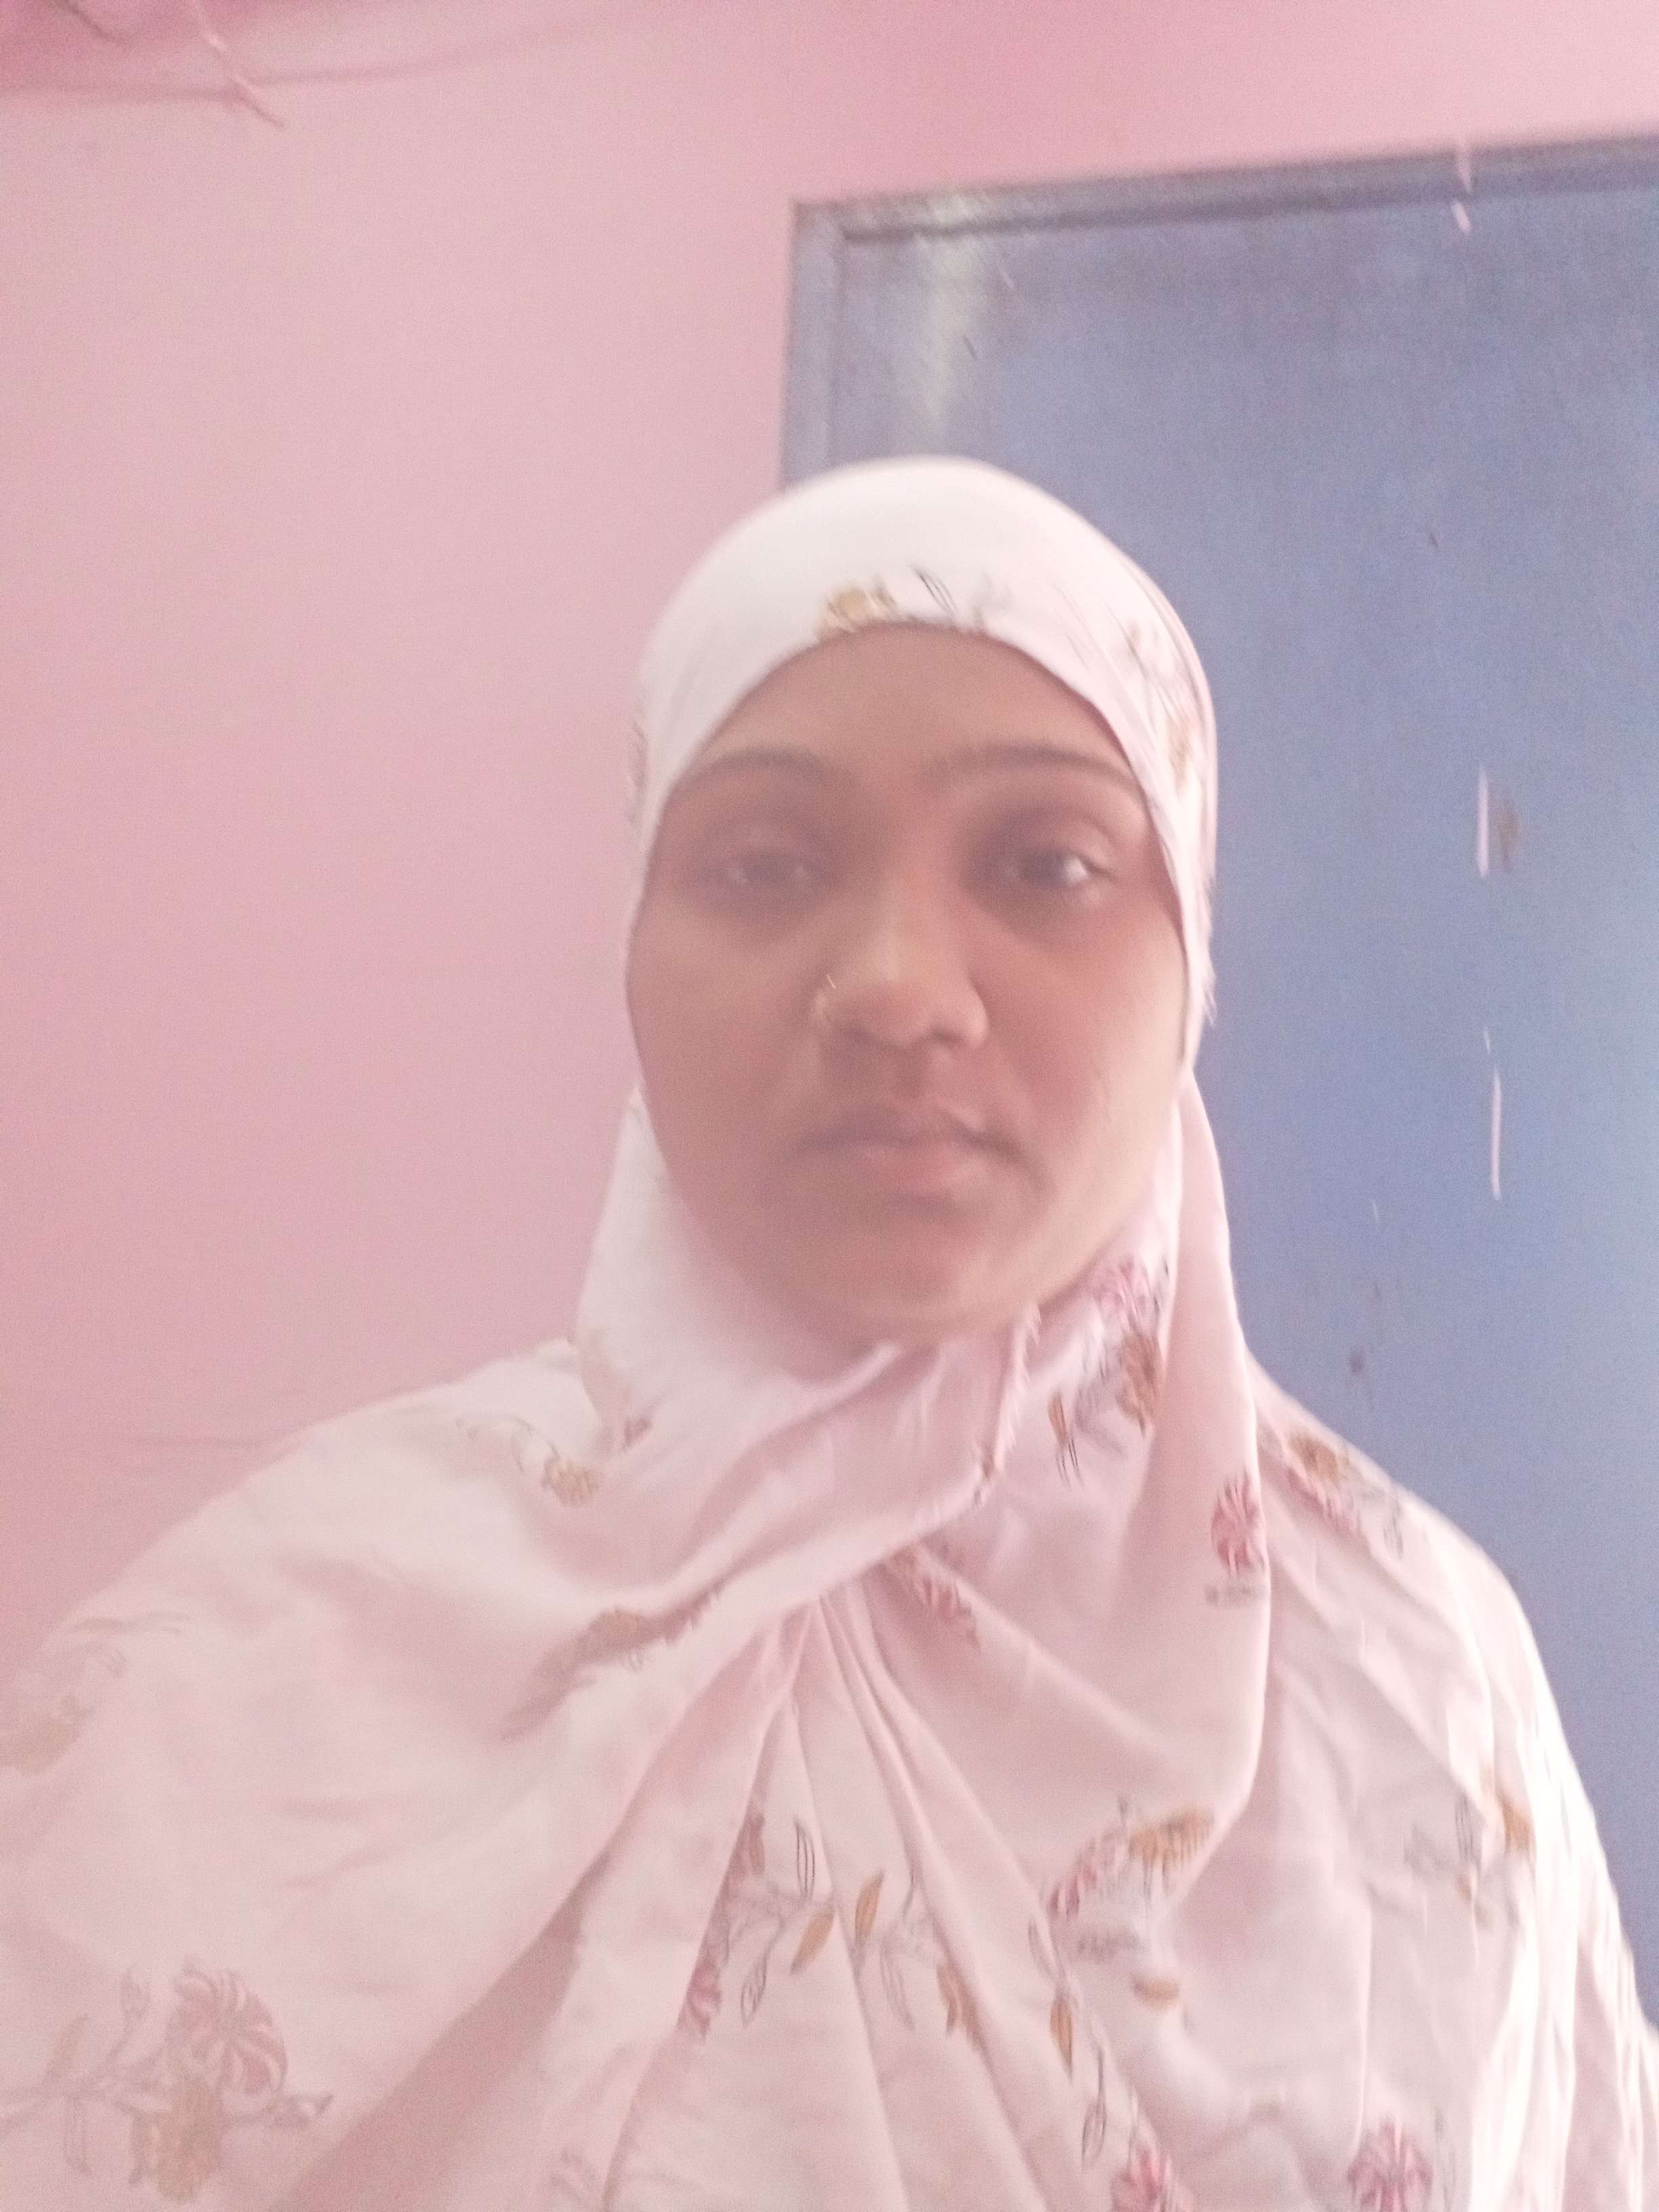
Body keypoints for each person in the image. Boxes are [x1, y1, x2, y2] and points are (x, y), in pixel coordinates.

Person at [1, 458, 1652, 2211]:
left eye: (1048, 864)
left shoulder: (1412, 1665)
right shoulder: (271, 1666)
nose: (897, 990)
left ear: (1192, 968)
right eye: (765, 864)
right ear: (634, 951)